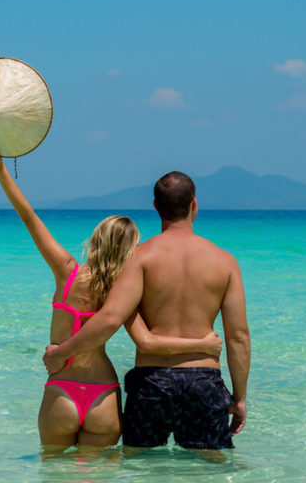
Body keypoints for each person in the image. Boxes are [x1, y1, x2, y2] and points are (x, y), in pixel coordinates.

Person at [0, 144, 223, 450]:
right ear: (130, 251)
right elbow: (147, 341)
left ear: (95, 238)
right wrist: (203, 344)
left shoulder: (67, 272)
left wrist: (0, 171)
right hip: (103, 394)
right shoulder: (123, 293)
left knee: (53, 471)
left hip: (61, 388)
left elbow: (29, 217)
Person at [43, 171, 250, 450]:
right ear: (194, 205)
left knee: (141, 466)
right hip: (204, 380)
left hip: (152, 384)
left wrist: (62, 352)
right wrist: (239, 398)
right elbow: (238, 337)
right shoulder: (226, 262)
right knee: (210, 470)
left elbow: (110, 319)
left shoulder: (139, 258)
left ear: (156, 207)